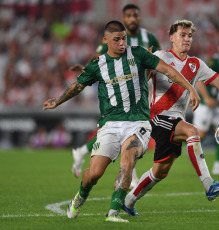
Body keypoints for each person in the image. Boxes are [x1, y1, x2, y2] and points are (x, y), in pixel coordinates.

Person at [43, 20, 200, 223]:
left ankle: (113, 212)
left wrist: (191, 88)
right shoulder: (98, 64)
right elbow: (78, 85)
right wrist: (57, 101)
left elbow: (168, 71)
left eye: (124, 38)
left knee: (128, 161)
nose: (121, 43)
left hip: (138, 123)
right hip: (109, 124)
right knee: (94, 174)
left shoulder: (139, 54)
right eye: (116, 39)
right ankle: (81, 195)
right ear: (105, 40)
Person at [121, 20, 219, 217]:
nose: (187, 39)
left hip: (175, 119)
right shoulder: (159, 56)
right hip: (157, 116)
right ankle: (209, 185)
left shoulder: (196, 64)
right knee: (192, 131)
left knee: (160, 172)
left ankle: (128, 202)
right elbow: (141, 83)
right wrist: (145, 66)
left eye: (189, 36)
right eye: (182, 35)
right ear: (172, 38)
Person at [72, 4, 160, 187]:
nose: (132, 19)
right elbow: (99, 61)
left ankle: (84, 152)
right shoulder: (113, 37)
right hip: (117, 88)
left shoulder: (148, 38)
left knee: (132, 128)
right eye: (128, 16)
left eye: (135, 15)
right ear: (123, 18)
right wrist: (85, 71)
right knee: (121, 125)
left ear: (140, 17)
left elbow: (157, 61)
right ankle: (129, 175)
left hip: (142, 87)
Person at [193, 37, 219, 175]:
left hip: (218, 105)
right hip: (206, 105)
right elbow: (199, 79)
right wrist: (206, 97)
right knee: (200, 136)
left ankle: (218, 166)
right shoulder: (214, 62)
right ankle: (173, 148)